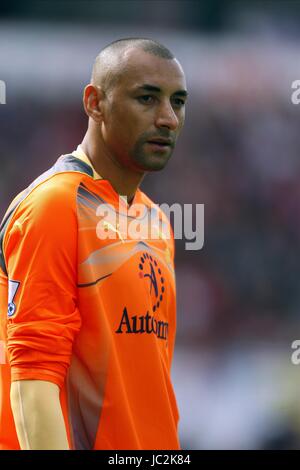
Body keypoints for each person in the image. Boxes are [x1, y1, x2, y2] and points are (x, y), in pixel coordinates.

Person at [0, 37, 188, 450]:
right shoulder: (55, 205)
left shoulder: (156, 222)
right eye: (147, 98)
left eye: (178, 102)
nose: (169, 118)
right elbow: (32, 377)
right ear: (94, 102)